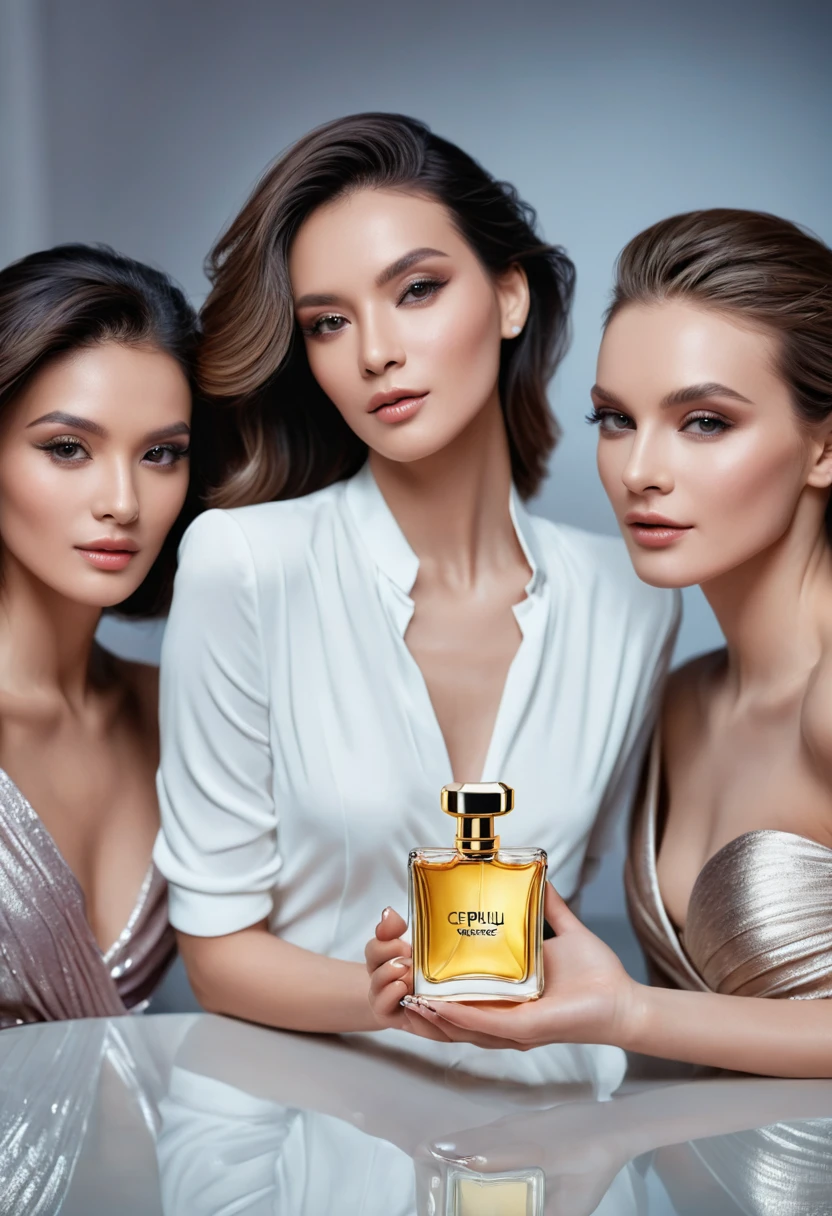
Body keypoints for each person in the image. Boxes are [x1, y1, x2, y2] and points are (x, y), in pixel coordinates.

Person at [154, 113, 678, 1046]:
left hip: (551, 1138)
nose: (374, 353)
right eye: (328, 322)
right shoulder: (244, 563)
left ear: (510, 296)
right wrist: (390, 1005)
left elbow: (569, 911)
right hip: (320, 1145)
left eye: (418, 290)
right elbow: (217, 951)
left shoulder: (633, 598)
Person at [383, 209, 832, 1077]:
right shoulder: (683, 697)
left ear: (823, 446)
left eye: (704, 422)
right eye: (616, 420)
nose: (638, 472)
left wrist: (628, 1013)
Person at [0, 244, 207, 1027]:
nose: (123, 501)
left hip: (159, 1151)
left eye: (161, 455)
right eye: (67, 449)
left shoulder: (174, 713)